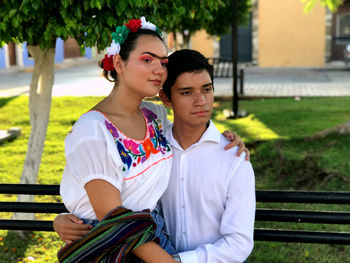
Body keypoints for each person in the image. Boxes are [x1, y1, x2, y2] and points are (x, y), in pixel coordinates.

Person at [55, 17, 248, 263]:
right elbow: (112, 215)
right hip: (118, 244)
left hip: (152, 236)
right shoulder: (93, 130)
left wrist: (223, 138)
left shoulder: (154, 116)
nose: (159, 70)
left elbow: (188, 132)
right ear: (118, 63)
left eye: (163, 62)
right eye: (147, 60)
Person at [158, 49, 255, 262]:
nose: (201, 101)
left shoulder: (234, 158)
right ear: (166, 98)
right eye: (186, 92)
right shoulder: (153, 149)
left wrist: (180, 261)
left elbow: (239, 243)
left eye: (206, 89)